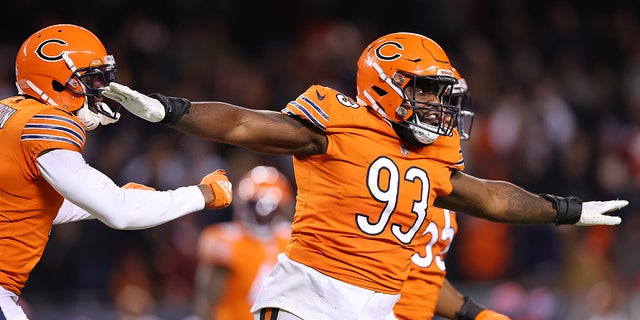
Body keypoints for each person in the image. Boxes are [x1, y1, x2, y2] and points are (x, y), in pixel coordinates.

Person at [102, 32, 628, 320]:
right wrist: (170, 110)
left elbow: (489, 198)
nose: (439, 106)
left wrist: (567, 209)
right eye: (426, 90)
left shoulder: (436, 153)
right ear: (385, 86)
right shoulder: (337, 125)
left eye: (443, 94)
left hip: (375, 311)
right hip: (306, 303)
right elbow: (243, 122)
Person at [0, 24, 233, 320]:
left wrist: (102, 203)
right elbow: (119, 213)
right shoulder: (46, 123)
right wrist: (203, 194)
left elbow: (26, 208)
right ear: (56, 82)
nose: (98, 90)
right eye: (89, 80)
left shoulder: (10, 113)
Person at [393, 70, 509, 320]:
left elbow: (422, 277)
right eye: (428, 93)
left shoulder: (438, 172)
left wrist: (476, 314)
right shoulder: (389, 170)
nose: (441, 109)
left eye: (445, 99)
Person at [194, 165, 293, 320]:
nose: (262, 214)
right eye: (255, 205)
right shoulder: (225, 239)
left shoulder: (290, 239)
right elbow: (208, 299)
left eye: (270, 207)